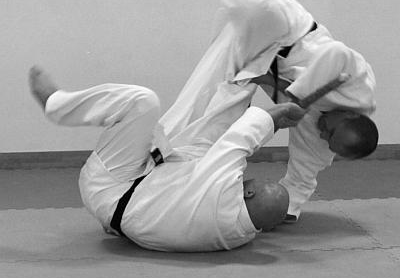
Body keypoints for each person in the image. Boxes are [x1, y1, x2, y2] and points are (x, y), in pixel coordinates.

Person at [189, 0, 378, 222]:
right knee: (250, 3)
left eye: (329, 142)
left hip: (255, 62)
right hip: (288, 31)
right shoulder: (359, 90)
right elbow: (336, 53)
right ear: (349, 115)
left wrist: (279, 213)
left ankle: (191, 185)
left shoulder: (323, 140)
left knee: (215, 105)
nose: (322, 134)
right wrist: (298, 100)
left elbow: (303, 177)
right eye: (331, 132)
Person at [29, 65, 306, 252]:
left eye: (251, 182)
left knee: (142, 102)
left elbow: (238, 142)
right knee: (203, 152)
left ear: (249, 192)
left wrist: (276, 116)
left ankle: (57, 106)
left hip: (111, 185)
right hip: (127, 210)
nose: (246, 179)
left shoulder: (223, 192)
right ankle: (242, 82)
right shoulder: (238, 237)